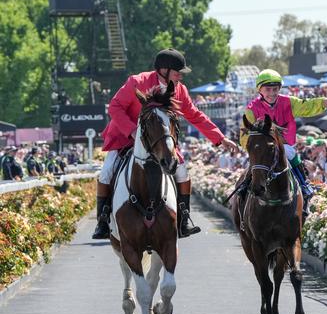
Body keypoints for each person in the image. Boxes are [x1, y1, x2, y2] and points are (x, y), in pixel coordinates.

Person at [92, 48, 238, 240]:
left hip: (160, 143)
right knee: (106, 172)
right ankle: (102, 221)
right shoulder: (137, 82)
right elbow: (114, 107)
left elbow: (195, 115)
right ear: (163, 70)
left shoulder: (179, 90)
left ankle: (184, 219)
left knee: (183, 173)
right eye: (177, 72)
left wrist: (220, 138)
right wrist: (133, 130)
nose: (180, 77)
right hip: (126, 138)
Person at [237, 69, 327, 215]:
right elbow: (244, 136)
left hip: (285, 145)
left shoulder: (289, 102)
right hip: (263, 148)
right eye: (268, 89)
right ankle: (245, 187)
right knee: (259, 160)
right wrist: (254, 148)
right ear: (259, 89)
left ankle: (303, 184)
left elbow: (312, 104)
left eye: (275, 89)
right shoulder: (251, 109)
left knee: (289, 151)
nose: (272, 93)